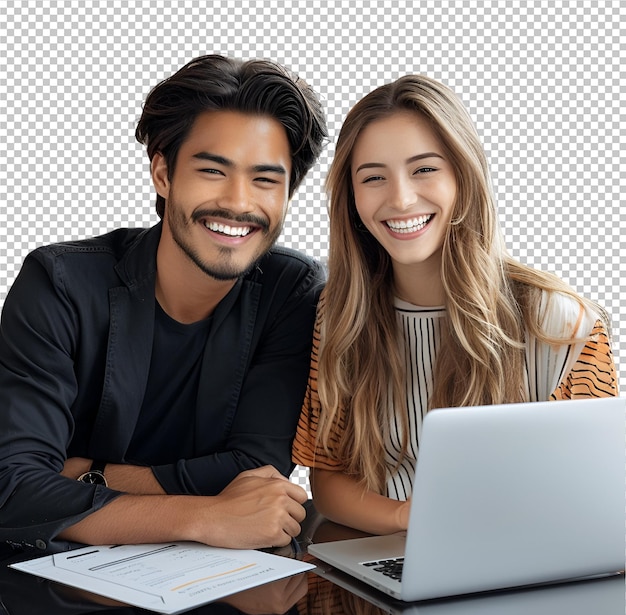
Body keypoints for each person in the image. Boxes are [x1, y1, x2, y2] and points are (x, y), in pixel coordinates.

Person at [0, 54, 328, 554]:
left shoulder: (292, 290)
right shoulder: (60, 283)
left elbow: (257, 467)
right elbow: (13, 488)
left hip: (219, 589)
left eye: (265, 180)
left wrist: (89, 475)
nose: (239, 203)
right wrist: (204, 516)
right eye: (213, 170)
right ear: (163, 173)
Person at [292, 75, 618, 535]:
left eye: (424, 169)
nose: (401, 198)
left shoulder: (564, 327)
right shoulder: (338, 313)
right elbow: (326, 477)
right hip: (383, 557)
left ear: (464, 176)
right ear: (352, 197)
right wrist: (413, 521)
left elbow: (601, 498)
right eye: (373, 177)